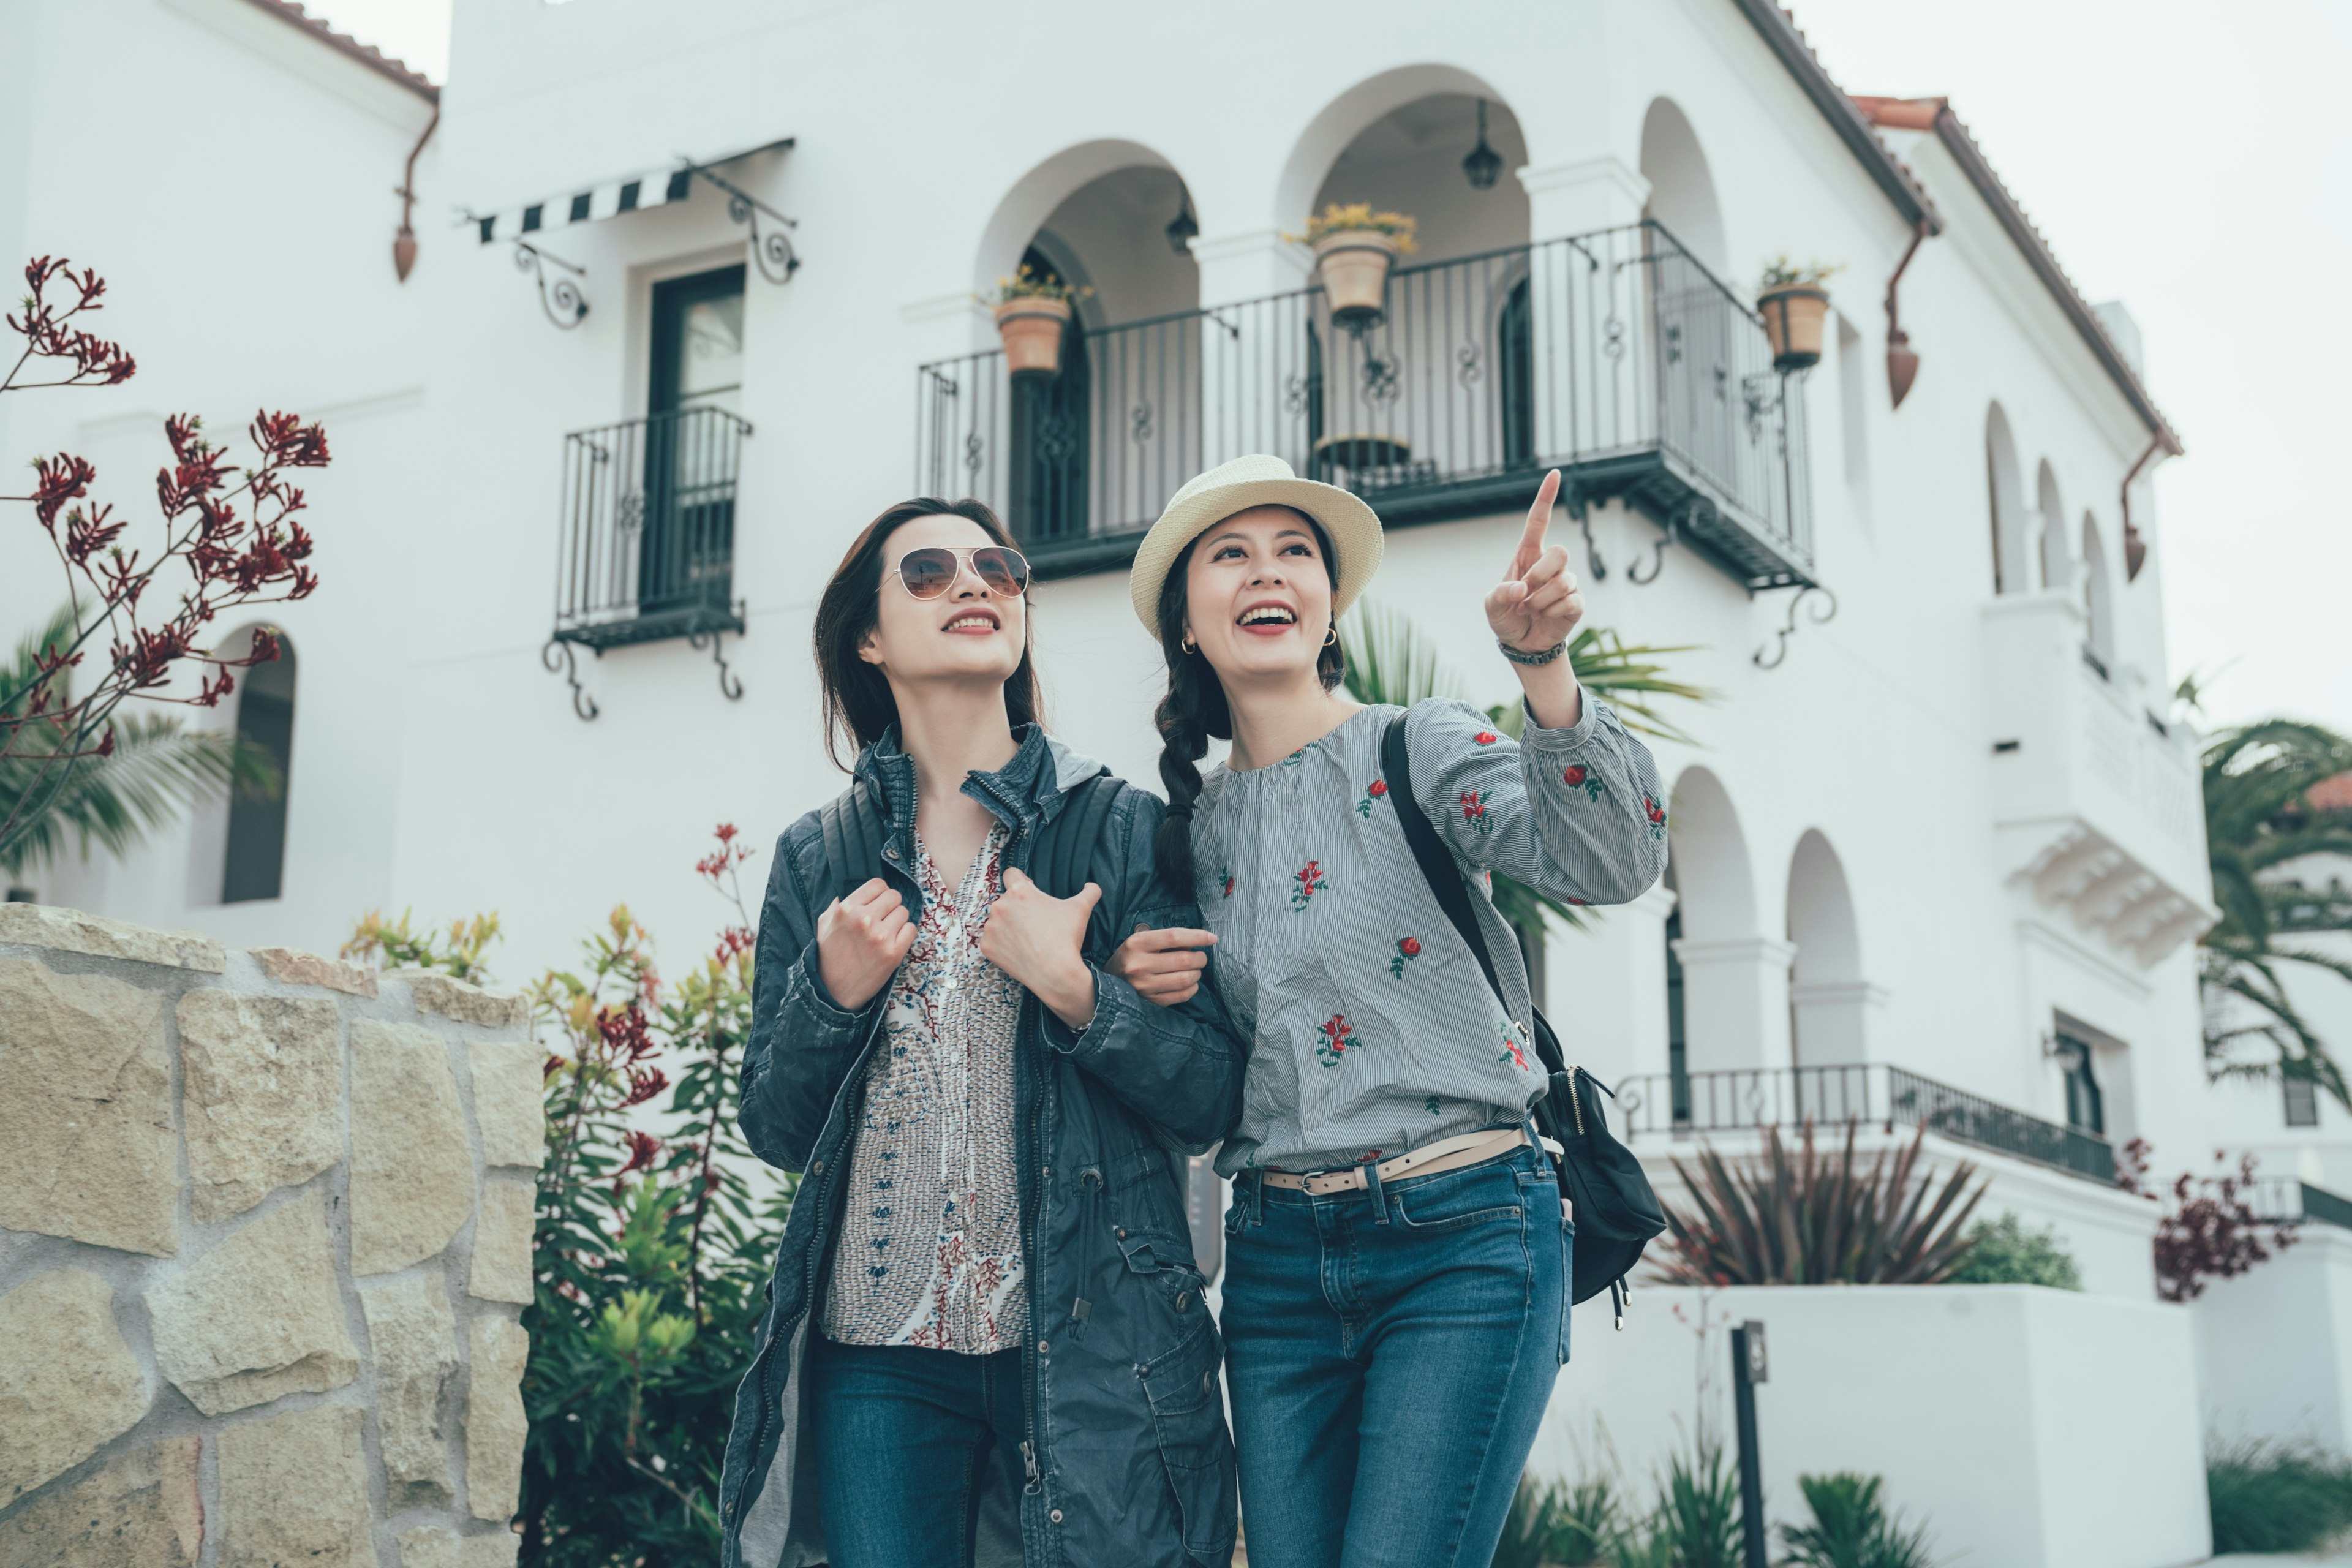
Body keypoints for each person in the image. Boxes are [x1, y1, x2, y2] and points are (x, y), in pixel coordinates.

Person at [1108, 455, 1668, 1568]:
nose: (1266, 574)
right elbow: (1200, 1092)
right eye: (1231, 555)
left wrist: (1544, 668)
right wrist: (1134, 988)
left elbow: (1614, 860)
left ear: (1327, 608)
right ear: (1186, 622)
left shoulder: (1420, 744)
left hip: (1464, 1236)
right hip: (1273, 1268)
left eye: (1294, 553)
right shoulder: (1184, 839)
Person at [717, 497, 1246, 1568]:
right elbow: (773, 1127)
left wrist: (1081, 993)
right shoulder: (817, 859)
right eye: (927, 572)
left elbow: (1211, 1098)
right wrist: (833, 993)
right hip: (878, 1358)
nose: (975, 584)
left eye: (998, 567)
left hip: (1098, 1346)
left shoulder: (1118, 825)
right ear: (867, 639)